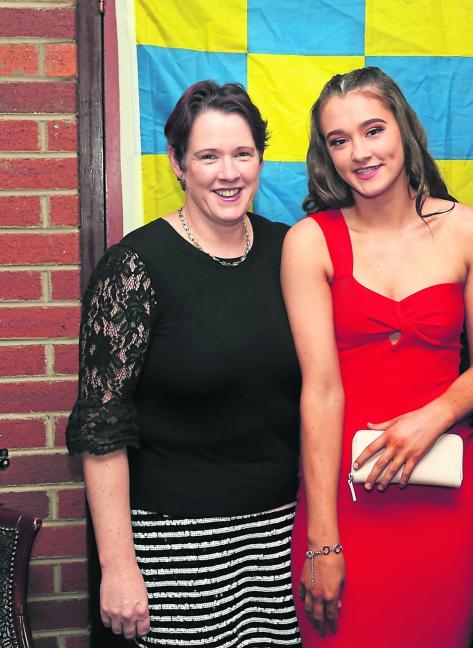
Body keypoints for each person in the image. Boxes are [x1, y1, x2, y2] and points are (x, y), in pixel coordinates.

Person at [65, 81, 302, 645]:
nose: (229, 172)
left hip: (277, 539)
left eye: (243, 154)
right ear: (177, 163)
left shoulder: (290, 250)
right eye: (208, 156)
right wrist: (118, 568)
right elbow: (102, 429)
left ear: (261, 159)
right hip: (175, 550)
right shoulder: (133, 269)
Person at [281, 66, 473, 647]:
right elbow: (320, 391)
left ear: (403, 130)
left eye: (373, 129)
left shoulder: (471, 231)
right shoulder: (309, 241)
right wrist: (322, 539)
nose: (360, 151)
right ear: (326, 155)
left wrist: (431, 419)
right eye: (339, 140)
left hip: (445, 501)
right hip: (345, 503)